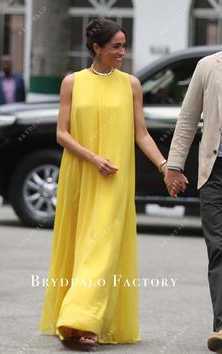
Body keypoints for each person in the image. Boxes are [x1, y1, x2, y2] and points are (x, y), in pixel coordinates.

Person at [39, 17, 167, 350]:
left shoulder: (131, 85)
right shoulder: (72, 82)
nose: (123, 52)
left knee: (102, 249)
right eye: (116, 46)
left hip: (115, 179)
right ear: (97, 48)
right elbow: (61, 133)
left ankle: (82, 322)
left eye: (124, 45)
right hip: (80, 175)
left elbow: (141, 134)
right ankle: (75, 321)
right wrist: (93, 157)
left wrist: (165, 165)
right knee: (82, 247)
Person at [164, 51, 222, 353]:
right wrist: (174, 165)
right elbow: (187, 118)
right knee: (218, 246)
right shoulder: (208, 66)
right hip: (214, 173)